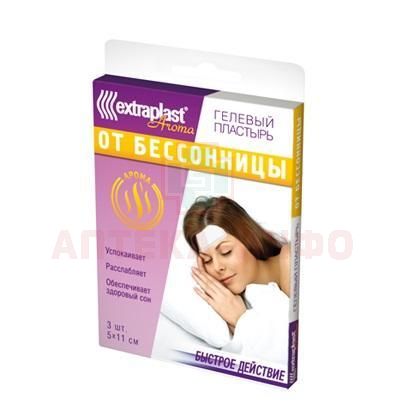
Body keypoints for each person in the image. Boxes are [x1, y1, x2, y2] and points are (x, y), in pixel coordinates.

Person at [183, 196, 290, 363]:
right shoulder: (236, 302)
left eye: (226, 252)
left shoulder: (291, 260)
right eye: (207, 260)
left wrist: (243, 320)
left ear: (249, 237)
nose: (217, 267)